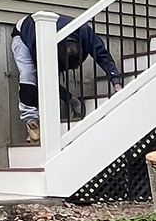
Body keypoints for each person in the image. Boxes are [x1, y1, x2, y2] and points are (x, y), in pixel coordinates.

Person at [12, 13, 123, 142]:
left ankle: (71, 103)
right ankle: (31, 121)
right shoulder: (40, 42)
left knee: (48, 78)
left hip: (53, 33)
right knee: (29, 74)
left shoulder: (84, 32)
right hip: (24, 33)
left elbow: (103, 56)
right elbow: (43, 78)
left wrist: (117, 83)